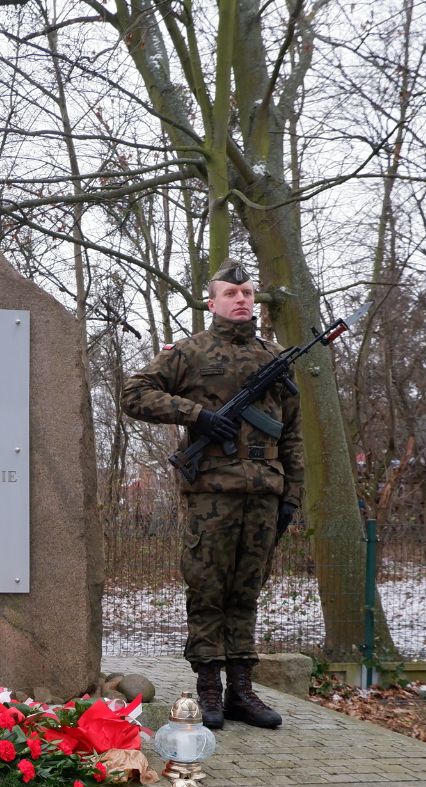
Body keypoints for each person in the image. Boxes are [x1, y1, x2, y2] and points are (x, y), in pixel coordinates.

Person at [119, 263, 300, 730]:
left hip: (264, 494)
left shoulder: (274, 357)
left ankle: (242, 690)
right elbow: (134, 393)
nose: (241, 299)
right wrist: (197, 414)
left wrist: (291, 493)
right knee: (207, 591)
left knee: (246, 592)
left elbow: (292, 432)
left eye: (247, 292)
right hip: (210, 495)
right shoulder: (191, 352)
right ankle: (209, 690)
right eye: (230, 293)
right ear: (212, 302)